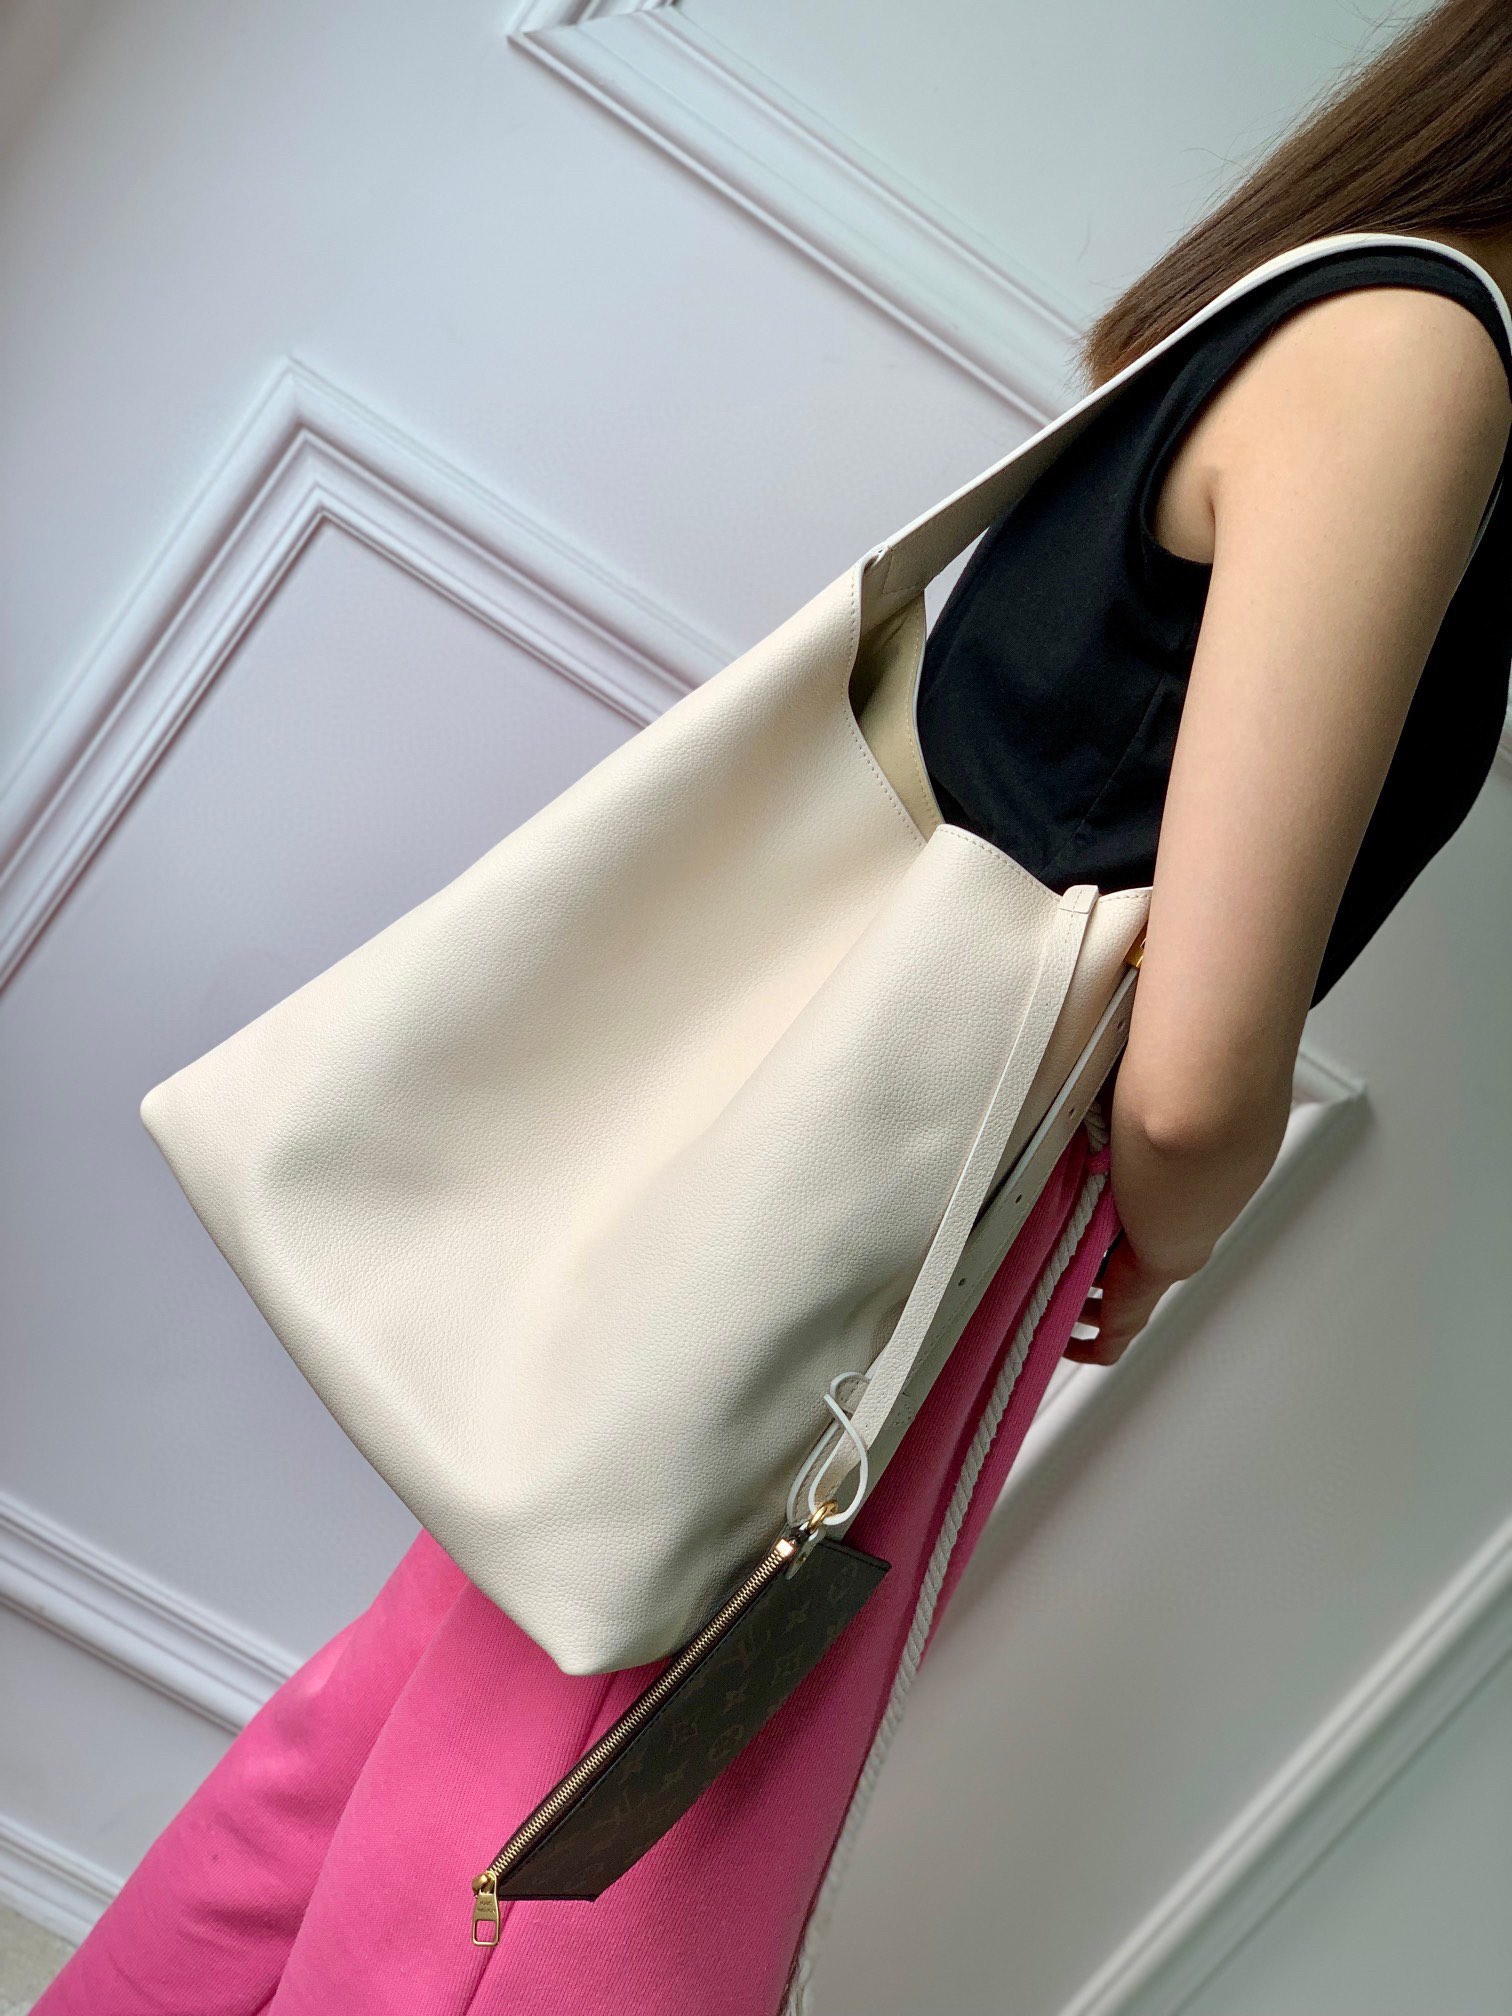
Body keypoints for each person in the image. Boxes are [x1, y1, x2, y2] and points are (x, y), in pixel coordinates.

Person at [33, 0, 1512, 2009]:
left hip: (814, 1179)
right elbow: (1188, 1084)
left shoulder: (1329, 302)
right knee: (577, 1886)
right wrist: (1167, 1240)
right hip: (917, 1226)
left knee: (383, 1759)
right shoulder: (1423, 365)